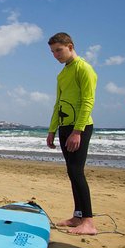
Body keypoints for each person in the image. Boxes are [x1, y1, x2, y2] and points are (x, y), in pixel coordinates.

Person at [46, 32, 97, 235]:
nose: (56, 55)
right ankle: (77, 216)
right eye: (52, 52)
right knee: (71, 172)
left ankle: (89, 222)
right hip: (65, 127)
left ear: (70, 46)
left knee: (77, 171)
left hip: (79, 127)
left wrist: (78, 130)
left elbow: (88, 101)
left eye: (58, 50)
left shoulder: (83, 68)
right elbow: (58, 104)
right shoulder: (62, 74)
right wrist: (52, 130)